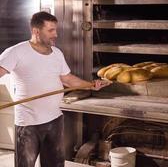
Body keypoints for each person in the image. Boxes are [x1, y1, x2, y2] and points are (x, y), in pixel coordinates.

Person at [0, 11, 111, 167]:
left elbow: (67, 79)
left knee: (55, 165)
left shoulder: (57, 54)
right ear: (36, 31)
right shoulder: (16, 52)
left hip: (54, 120)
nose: (56, 34)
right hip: (28, 124)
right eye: (51, 30)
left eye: (56, 30)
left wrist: (91, 85)